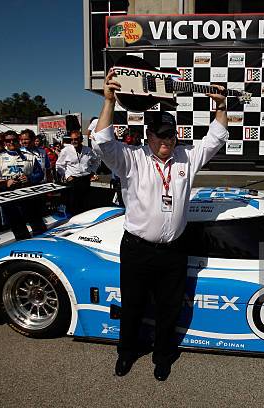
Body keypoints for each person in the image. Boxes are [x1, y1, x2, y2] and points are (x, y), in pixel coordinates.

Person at [92, 70, 228, 381]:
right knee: (134, 305)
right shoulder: (131, 158)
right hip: (138, 249)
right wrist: (109, 101)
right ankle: (126, 353)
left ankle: (163, 357)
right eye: (159, 135)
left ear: (176, 136)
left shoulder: (186, 157)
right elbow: (101, 141)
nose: (165, 141)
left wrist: (220, 106)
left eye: (170, 135)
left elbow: (216, 137)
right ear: (148, 136)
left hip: (174, 252)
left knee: (169, 309)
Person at [0, 132, 46, 239]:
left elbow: (40, 174)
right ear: (4, 142)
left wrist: (29, 178)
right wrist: (6, 182)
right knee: (17, 228)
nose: (11, 142)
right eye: (8, 141)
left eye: (14, 140)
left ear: (18, 140)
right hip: (9, 197)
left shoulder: (30, 157)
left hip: (28, 196)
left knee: (38, 225)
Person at [56, 130, 101, 214]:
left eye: (76, 139)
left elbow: (96, 161)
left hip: (85, 179)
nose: (73, 141)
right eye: (72, 139)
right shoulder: (66, 150)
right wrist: (67, 176)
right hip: (73, 180)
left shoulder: (88, 150)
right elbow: (59, 165)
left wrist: (92, 172)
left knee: (85, 203)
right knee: (73, 204)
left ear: (81, 139)